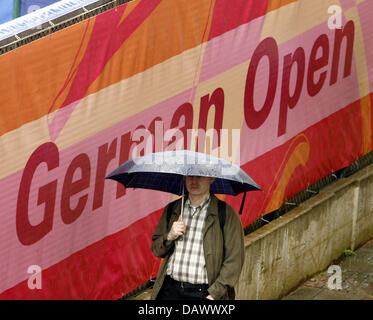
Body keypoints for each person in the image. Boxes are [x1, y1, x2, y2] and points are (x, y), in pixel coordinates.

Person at [150, 175, 245, 300]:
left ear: (211, 178)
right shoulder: (173, 209)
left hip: (203, 293)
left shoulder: (226, 214)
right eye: (190, 176)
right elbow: (156, 249)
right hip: (170, 290)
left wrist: (214, 294)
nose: (194, 181)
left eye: (199, 176)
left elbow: (235, 259)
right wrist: (169, 236)